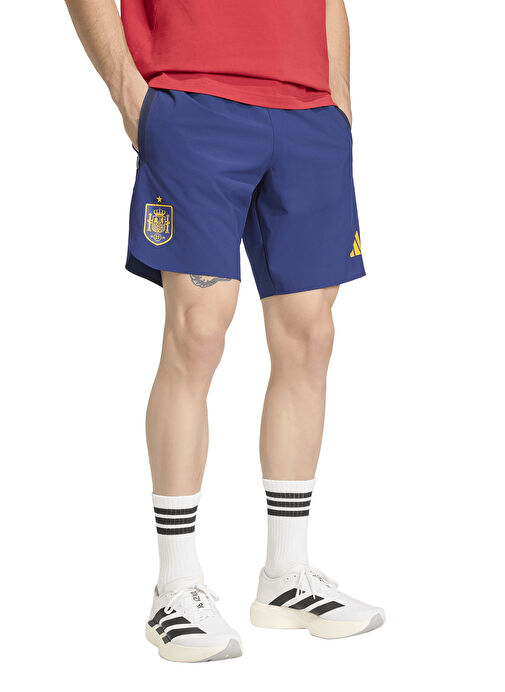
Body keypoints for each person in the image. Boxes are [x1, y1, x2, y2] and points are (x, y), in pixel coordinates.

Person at [65, 0, 385, 663]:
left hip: (307, 111)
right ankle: (176, 586)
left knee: (310, 336)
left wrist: (338, 97)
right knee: (199, 329)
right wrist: (127, 89)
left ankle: (286, 577)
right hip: (193, 102)